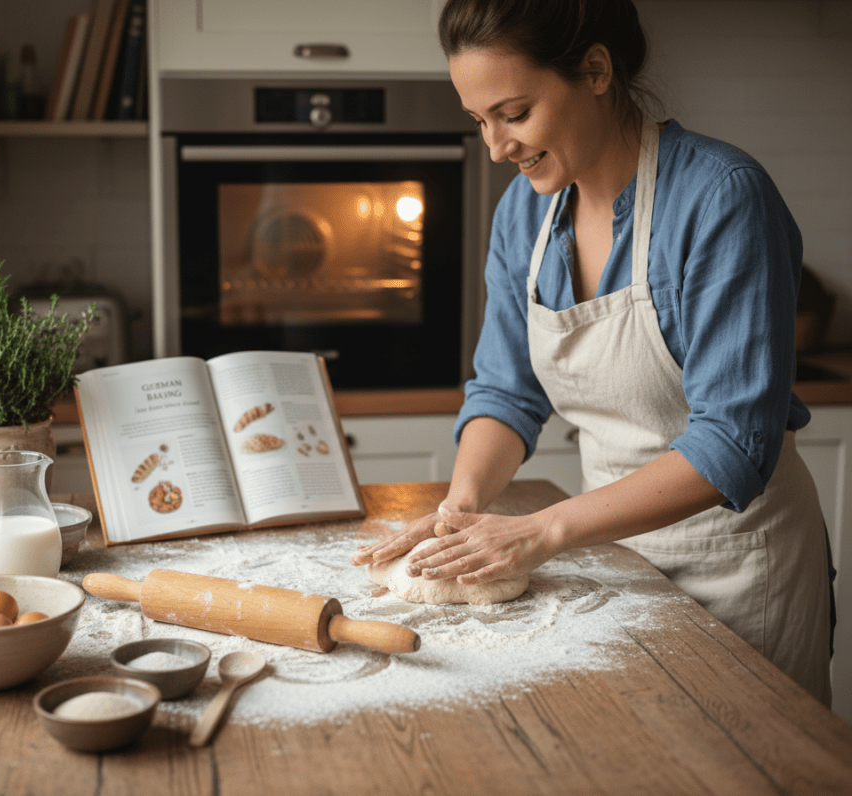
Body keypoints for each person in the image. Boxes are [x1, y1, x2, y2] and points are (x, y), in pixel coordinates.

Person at [350, 0, 834, 704]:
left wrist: (542, 531)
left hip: (737, 563)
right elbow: (507, 391)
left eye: (514, 114)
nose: (495, 147)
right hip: (611, 554)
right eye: (479, 120)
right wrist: (460, 510)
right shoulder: (524, 214)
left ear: (596, 70)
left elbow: (735, 442)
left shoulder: (722, 197)